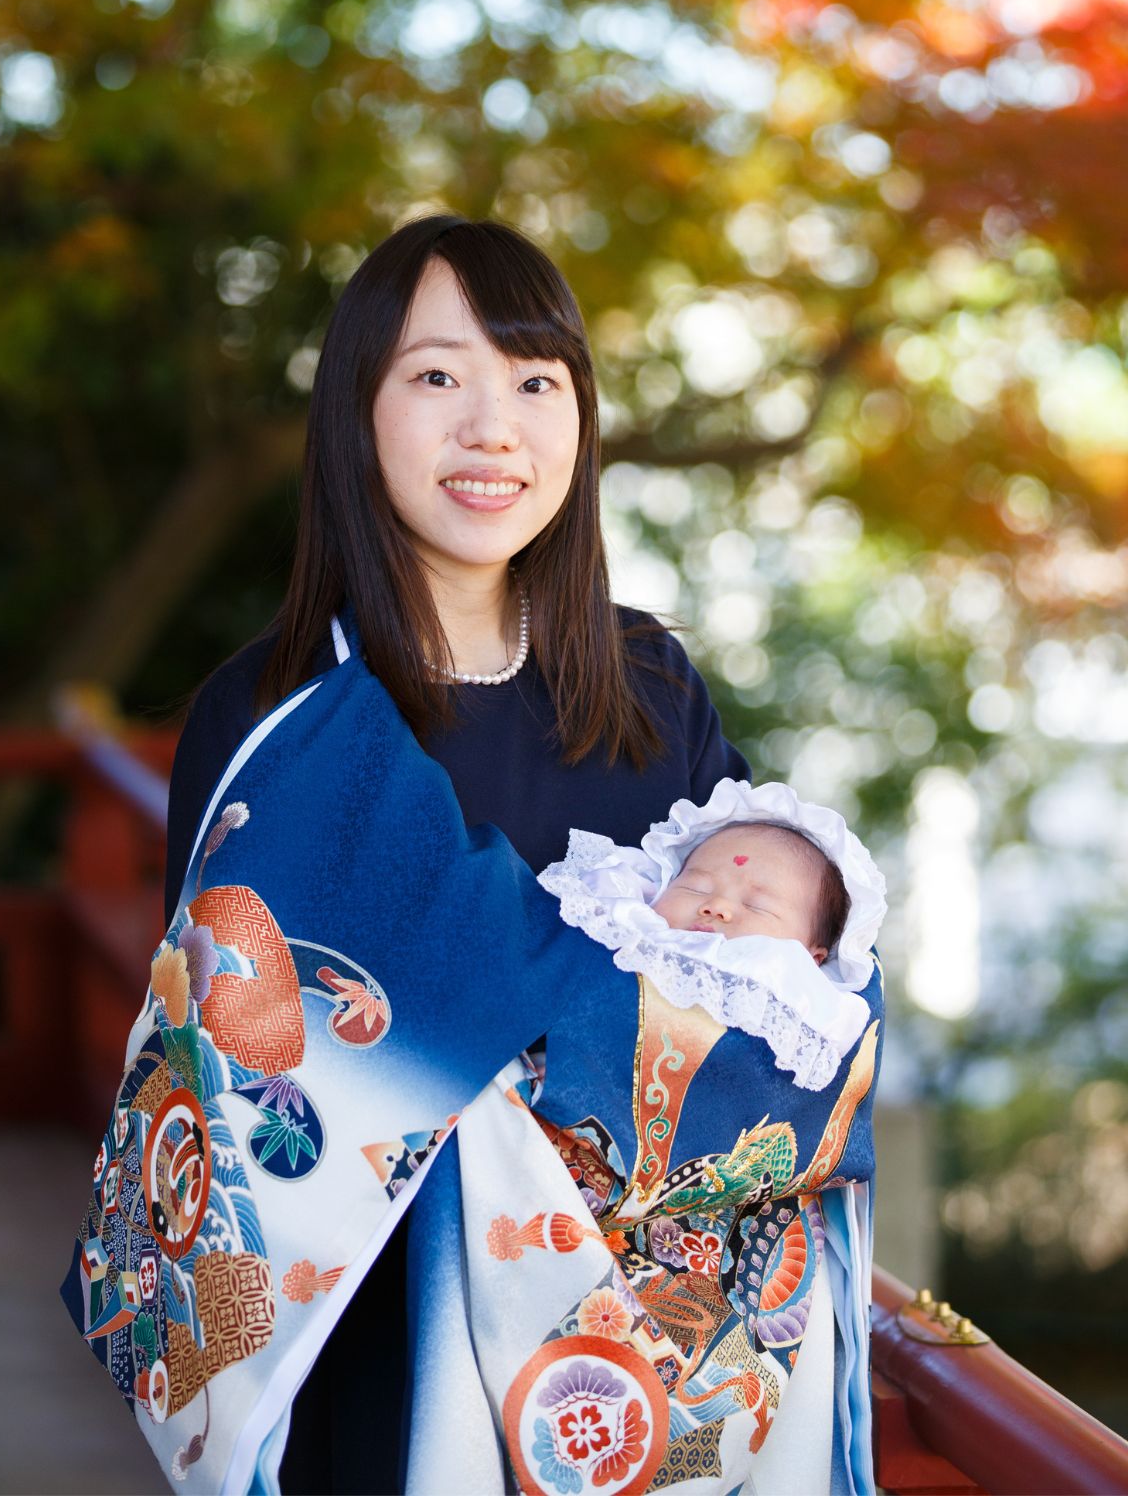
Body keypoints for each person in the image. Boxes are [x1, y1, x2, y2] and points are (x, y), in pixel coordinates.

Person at [160, 212, 750, 1493]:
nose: (496, 428)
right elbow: (243, 1091)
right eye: (438, 377)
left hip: (636, 1370)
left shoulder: (651, 686)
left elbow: (774, 993)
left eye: (537, 383)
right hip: (369, 1372)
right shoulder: (274, 719)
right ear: (356, 413)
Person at [537, 775, 888, 1091]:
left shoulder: (802, 1003)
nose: (717, 906)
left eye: (756, 906)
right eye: (696, 887)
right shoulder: (626, 927)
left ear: (813, 959)